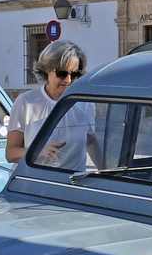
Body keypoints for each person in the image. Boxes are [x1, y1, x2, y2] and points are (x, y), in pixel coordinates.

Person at [8, 39, 94, 168]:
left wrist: (109, 171)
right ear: (47, 70)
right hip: (35, 183)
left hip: (72, 184)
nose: (68, 80)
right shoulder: (27, 102)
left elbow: (91, 141)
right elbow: (10, 153)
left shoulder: (85, 103)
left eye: (75, 74)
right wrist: (38, 152)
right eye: (62, 73)